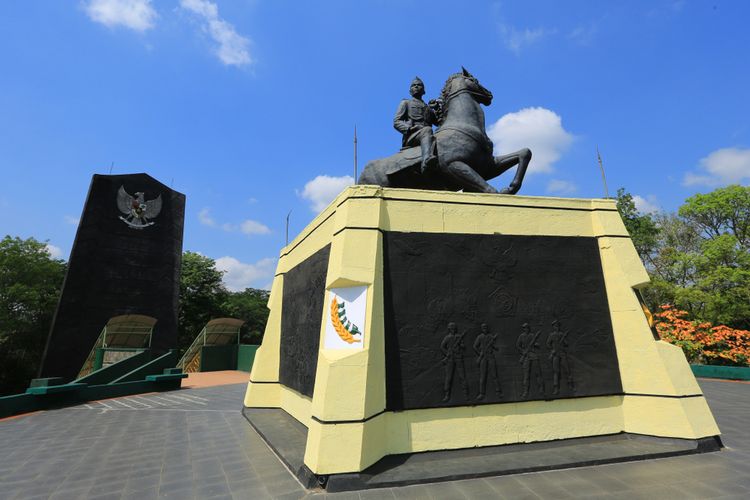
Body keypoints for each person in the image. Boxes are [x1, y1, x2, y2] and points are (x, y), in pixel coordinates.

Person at [393, 76, 439, 173]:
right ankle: (426, 160)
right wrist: (410, 128)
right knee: (427, 130)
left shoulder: (428, 107)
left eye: (419, 85)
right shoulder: (406, 103)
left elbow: (439, 122)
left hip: (427, 135)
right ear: (410, 91)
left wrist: (436, 108)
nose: (416, 87)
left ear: (424, 91)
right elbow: (397, 121)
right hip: (412, 135)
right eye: (414, 85)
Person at [440, 322, 469, 402]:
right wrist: (447, 354)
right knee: (448, 377)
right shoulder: (447, 338)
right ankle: (447, 395)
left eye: (454, 328)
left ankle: (466, 394)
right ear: (449, 329)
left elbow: (463, 346)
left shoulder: (459, 336)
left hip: (458, 358)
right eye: (451, 329)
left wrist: (461, 345)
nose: (453, 330)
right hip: (450, 359)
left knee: (462, 376)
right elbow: (442, 347)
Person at [473, 323, 502, 400]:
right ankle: (481, 394)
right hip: (483, 357)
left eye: (486, 327)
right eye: (483, 328)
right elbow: (475, 346)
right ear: (481, 329)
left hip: (490, 357)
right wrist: (480, 353)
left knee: (494, 375)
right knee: (483, 376)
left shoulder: (490, 336)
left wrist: (496, 348)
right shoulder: (479, 337)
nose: (484, 329)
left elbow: (493, 345)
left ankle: (498, 392)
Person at [546, 320, 574, 395]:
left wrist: (564, 339)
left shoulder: (562, 334)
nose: (556, 327)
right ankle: (556, 388)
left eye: (558, 326)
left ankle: (570, 385)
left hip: (562, 353)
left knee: (567, 370)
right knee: (556, 372)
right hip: (555, 355)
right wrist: (552, 350)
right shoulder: (551, 335)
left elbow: (566, 344)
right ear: (553, 327)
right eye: (555, 326)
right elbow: (548, 344)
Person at [516, 322, 544, 398]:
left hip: (533, 355)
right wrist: (523, 352)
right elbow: (518, 346)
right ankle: (525, 392)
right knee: (526, 375)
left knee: (538, 373)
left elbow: (538, 345)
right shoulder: (521, 336)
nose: (526, 329)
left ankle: (541, 390)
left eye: (527, 328)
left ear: (529, 328)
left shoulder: (532, 335)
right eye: (524, 328)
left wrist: (536, 345)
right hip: (526, 356)